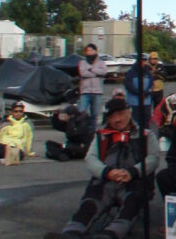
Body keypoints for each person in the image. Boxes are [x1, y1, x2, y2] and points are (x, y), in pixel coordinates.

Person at [44, 99, 160, 239]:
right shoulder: (101, 136)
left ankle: (110, 234)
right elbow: (90, 158)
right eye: (112, 116)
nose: (117, 120)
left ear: (129, 112)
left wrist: (133, 172)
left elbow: (153, 158)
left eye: (121, 114)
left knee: (130, 207)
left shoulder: (146, 135)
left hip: (134, 182)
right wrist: (107, 172)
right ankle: (71, 233)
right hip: (105, 181)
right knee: (89, 204)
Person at [0, 101, 36, 165]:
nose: (18, 113)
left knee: (18, 154)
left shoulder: (27, 123)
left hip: (16, 147)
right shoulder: (6, 122)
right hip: (5, 145)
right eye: (16, 111)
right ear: (12, 112)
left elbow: (29, 139)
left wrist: (30, 152)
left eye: (21, 111)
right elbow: (0, 136)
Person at [78, 43, 108, 128]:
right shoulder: (82, 62)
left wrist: (91, 69)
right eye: (88, 51)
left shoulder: (101, 62)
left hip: (97, 92)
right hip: (85, 91)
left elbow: (104, 72)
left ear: (95, 51)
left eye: (92, 50)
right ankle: (81, 129)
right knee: (81, 112)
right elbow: (83, 73)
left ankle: (92, 130)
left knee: (94, 114)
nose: (90, 52)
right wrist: (96, 74)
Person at [122, 59, 154, 129]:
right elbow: (128, 85)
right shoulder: (131, 72)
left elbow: (151, 85)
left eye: (144, 61)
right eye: (141, 61)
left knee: (146, 119)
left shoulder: (148, 72)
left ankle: (146, 132)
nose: (143, 63)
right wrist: (139, 93)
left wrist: (146, 93)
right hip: (134, 102)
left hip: (146, 101)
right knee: (135, 120)